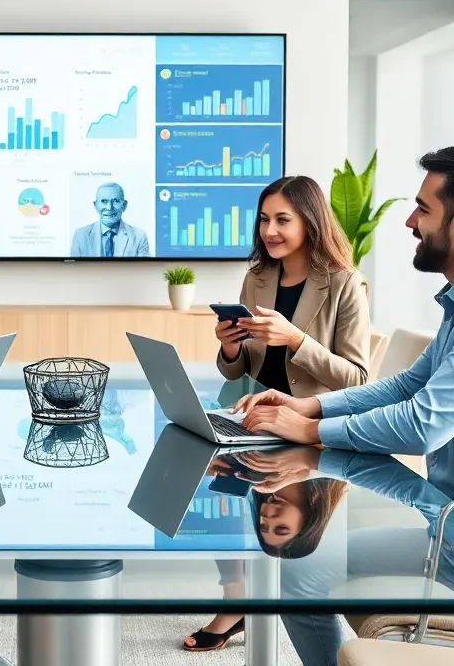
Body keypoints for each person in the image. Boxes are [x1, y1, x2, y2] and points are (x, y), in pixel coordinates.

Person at [236, 145, 454, 664]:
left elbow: (422, 425)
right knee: (300, 570)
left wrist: (310, 434)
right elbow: (403, 387)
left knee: (302, 569)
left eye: (422, 209)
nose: (409, 220)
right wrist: (310, 409)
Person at [183, 175, 371, 653]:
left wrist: (297, 340)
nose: (270, 229)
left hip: (313, 433)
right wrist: (230, 350)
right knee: (207, 479)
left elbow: (359, 379)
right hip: (260, 422)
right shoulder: (258, 278)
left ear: (310, 221)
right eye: (264, 219)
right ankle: (237, 596)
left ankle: (241, 604)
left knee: (235, 491)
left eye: (283, 219)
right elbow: (246, 368)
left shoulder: (345, 284)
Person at [69, 182, 151, 257]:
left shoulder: (139, 236)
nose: (109, 208)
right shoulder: (80, 235)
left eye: (115, 201)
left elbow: (144, 269)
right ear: (95, 206)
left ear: (124, 205)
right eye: (104, 201)